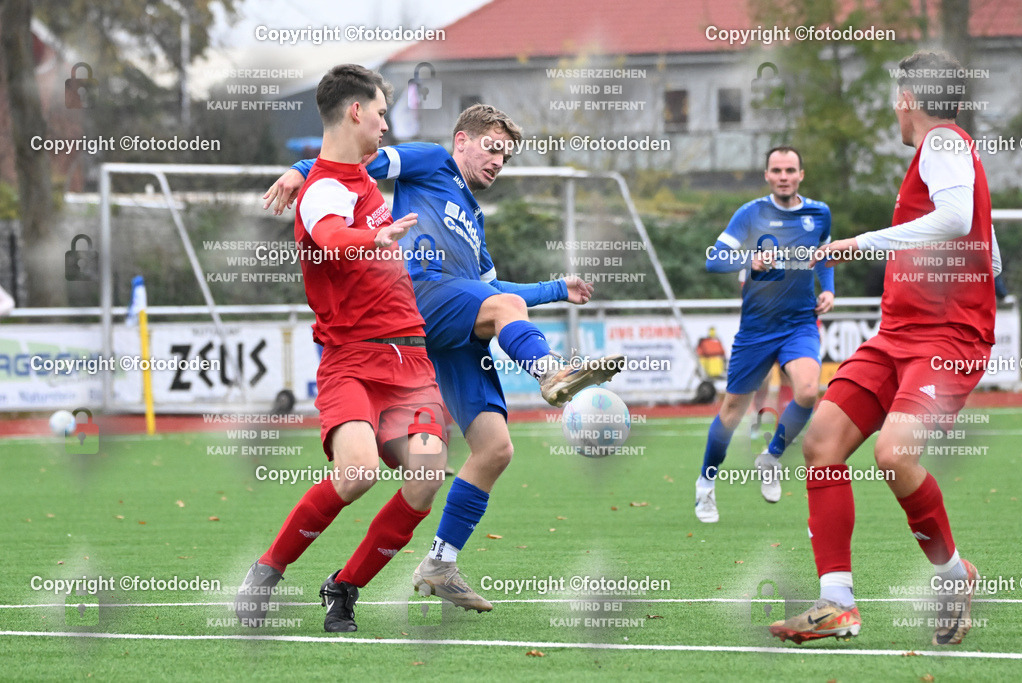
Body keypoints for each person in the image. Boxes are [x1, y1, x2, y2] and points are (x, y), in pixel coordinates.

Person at [264, 104, 625, 612]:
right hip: (416, 295)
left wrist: (557, 287)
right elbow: (351, 161)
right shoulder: (432, 162)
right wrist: (300, 171)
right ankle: (550, 373)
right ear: (462, 141)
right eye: (492, 147)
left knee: (495, 449)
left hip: (450, 330)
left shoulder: (474, 223)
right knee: (501, 310)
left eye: (507, 155)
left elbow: (492, 290)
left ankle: (439, 562)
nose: (500, 161)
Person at [769, 50, 1000, 646]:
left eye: (896, 99)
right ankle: (836, 603)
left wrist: (860, 243)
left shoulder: (944, 145)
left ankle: (952, 577)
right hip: (896, 335)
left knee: (894, 455)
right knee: (821, 442)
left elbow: (953, 220)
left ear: (908, 100)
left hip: (946, 340)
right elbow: (989, 252)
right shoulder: (949, 153)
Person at [234, 64, 449, 634]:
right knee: (356, 473)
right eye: (381, 113)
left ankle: (344, 588)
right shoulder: (326, 190)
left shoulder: (360, 174)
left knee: (426, 475)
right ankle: (267, 571)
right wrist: (369, 237)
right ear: (356, 112)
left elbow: (339, 164)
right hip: (353, 358)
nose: (386, 125)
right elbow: (329, 236)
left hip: (410, 361)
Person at [695, 146, 834, 523]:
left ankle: (770, 456)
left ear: (801, 174)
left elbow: (825, 255)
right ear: (767, 176)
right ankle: (706, 485)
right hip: (757, 329)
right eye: (777, 170)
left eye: (791, 169)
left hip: (799, 323)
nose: (784, 176)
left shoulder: (818, 213)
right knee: (731, 413)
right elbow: (713, 259)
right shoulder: (750, 213)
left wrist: (829, 289)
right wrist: (747, 260)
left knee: (808, 391)